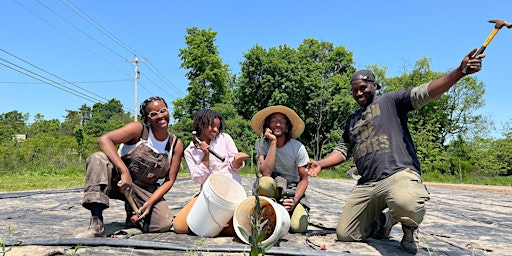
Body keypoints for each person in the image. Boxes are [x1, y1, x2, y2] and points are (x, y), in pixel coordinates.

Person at [307, 49, 485, 253]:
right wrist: (320, 163)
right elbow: (343, 149)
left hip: (397, 175)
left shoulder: (390, 101)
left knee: (406, 204)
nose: (358, 93)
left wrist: (459, 72)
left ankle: (407, 228)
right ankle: (384, 221)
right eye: (354, 90)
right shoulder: (352, 121)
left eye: (363, 88)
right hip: (368, 184)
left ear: (375, 86)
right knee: (346, 234)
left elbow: (426, 92)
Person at [75, 96, 183, 238]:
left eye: (163, 111)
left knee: (162, 224)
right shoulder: (138, 130)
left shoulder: (175, 144)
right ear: (147, 118)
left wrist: (150, 202)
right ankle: (97, 223)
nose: (160, 116)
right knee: (98, 158)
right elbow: (104, 140)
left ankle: (132, 215)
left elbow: (169, 180)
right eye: (154, 114)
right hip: (118, 181)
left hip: (143, 189)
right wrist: (124, 170)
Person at [173, 109, 248, 235]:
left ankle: (221, 225)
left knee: (239, 227)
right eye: (212, 126)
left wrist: (237, 161)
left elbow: (234, 166)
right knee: (180, 226)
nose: (216, 130)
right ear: (201, 124)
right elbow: (198, 178)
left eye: (218, 127)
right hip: (208, 194)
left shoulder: (225, 138)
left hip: (231, 192)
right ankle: (219, 225)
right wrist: (206, 156)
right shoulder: (190, 150)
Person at [251, 105, 310, 233]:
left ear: (287, 126)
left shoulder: (298, 147)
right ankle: (267, 211)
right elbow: (265, 172)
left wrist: (294, 201)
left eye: (282, 121)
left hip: (291, 190)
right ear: (267, 125)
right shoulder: (261, 144)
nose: (278, 124)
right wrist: (273, 142)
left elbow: (304, 179)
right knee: (264, 182)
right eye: (274, 121)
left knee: (299, 227)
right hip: (272, 189)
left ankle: (285, 213)